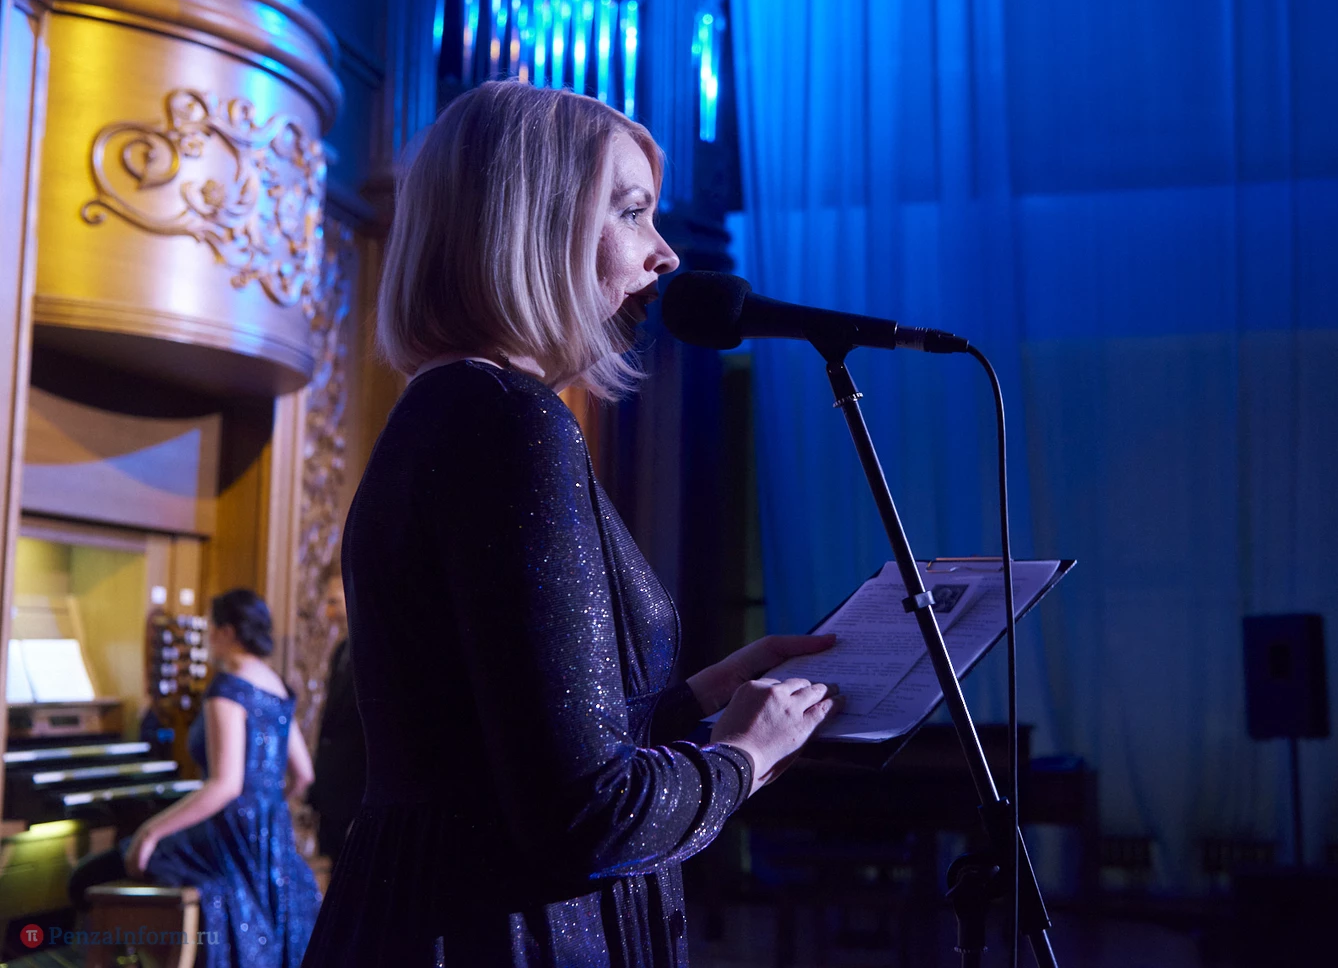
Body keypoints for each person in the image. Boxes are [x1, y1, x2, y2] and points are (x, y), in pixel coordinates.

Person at [299, 81, 842, 967]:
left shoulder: (448, 409)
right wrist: (743, 756)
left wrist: (699, 698)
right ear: (532, 223)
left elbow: (495, 748)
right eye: (630, 211)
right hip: (496, 934)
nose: (666, 253)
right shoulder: (510, 423)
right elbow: (585, 817)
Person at [68, 589, 321, 967]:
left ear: (227, 632)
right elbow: (303, 775)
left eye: (210, 628)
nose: (207, 638)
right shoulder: (278, 686)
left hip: (225, 839)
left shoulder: (228, 687)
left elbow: (226, 785)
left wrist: (150, 832)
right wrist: (266, 809)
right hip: (271, 840)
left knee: (84, 878)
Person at [306, 570, 365, 861]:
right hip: (331, 790)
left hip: (355, 792)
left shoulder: (371, 651)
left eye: (334, 602)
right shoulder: (341, 649)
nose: (328, 612)